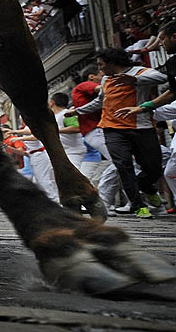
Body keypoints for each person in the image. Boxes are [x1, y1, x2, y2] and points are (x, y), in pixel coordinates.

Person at [70, 47, 167, 219]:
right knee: (123, 166)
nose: (100, 69)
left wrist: (135, 80)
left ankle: (147, 187)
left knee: (153, 168)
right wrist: (78, 111)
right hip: (112, 129)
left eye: (101, 64)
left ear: (112, 62)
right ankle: (139, 206)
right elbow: (100, 102)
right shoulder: (106, 79)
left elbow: (163, 78)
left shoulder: (141, 71)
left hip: (142, 127)